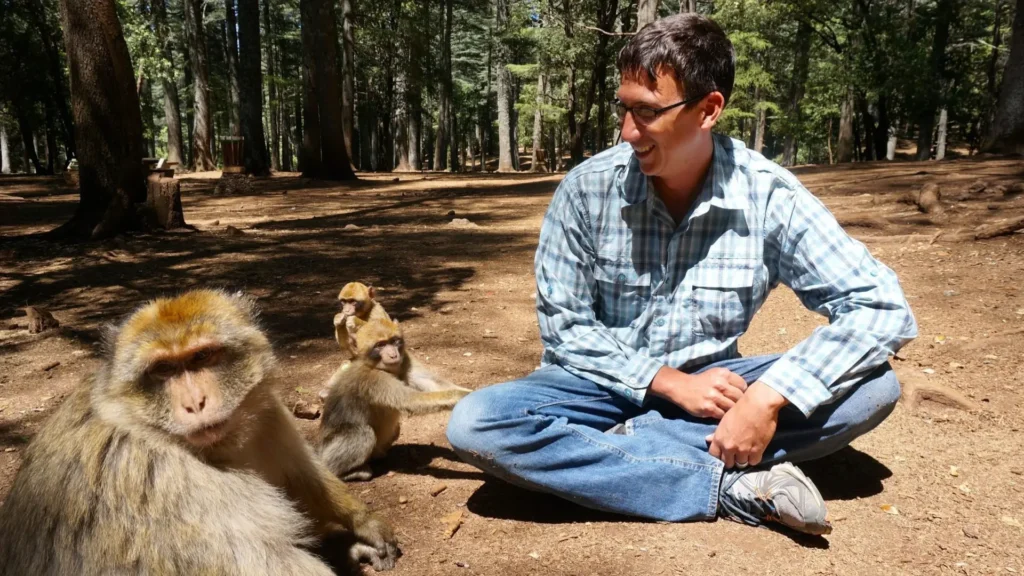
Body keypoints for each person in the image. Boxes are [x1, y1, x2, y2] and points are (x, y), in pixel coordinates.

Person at [446, 13, 917, 535]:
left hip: (714, 391)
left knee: (873, 387)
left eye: (647, 112)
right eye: (624, 108)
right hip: (592, 385)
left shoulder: (768, 195)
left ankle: (611, 456)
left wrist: (767, 396)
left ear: (708, 109)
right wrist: (667, 384)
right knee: (479, 422)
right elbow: (566, 328)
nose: (628, 132)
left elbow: (879, 305)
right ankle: (724, 484)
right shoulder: (586, 190)